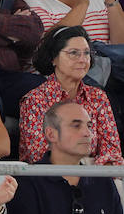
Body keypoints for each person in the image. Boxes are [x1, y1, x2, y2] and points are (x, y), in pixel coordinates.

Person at [18, 24, 123, 167]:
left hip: (95, 178)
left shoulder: (98, 97)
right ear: (53, 58)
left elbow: (112, 152)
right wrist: (84, 164)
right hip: (48, 181)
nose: (82, 59)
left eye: (86, 53)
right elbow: (38, 154)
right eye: (73, 53)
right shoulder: (35, 100)